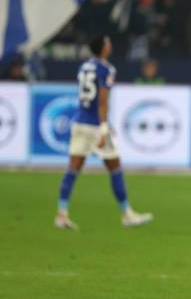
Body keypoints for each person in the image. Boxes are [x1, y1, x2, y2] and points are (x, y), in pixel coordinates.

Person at [54, 36, 152, 230]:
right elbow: (103, 100)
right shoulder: (107, 69)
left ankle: (61, 214)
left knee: (73, 169)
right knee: (115, 167)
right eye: (108, 43)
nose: (110, 45)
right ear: (103, 48)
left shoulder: (84, 67)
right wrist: (104, 127)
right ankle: (127, 214)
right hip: (94, 126)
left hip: (79, 122)